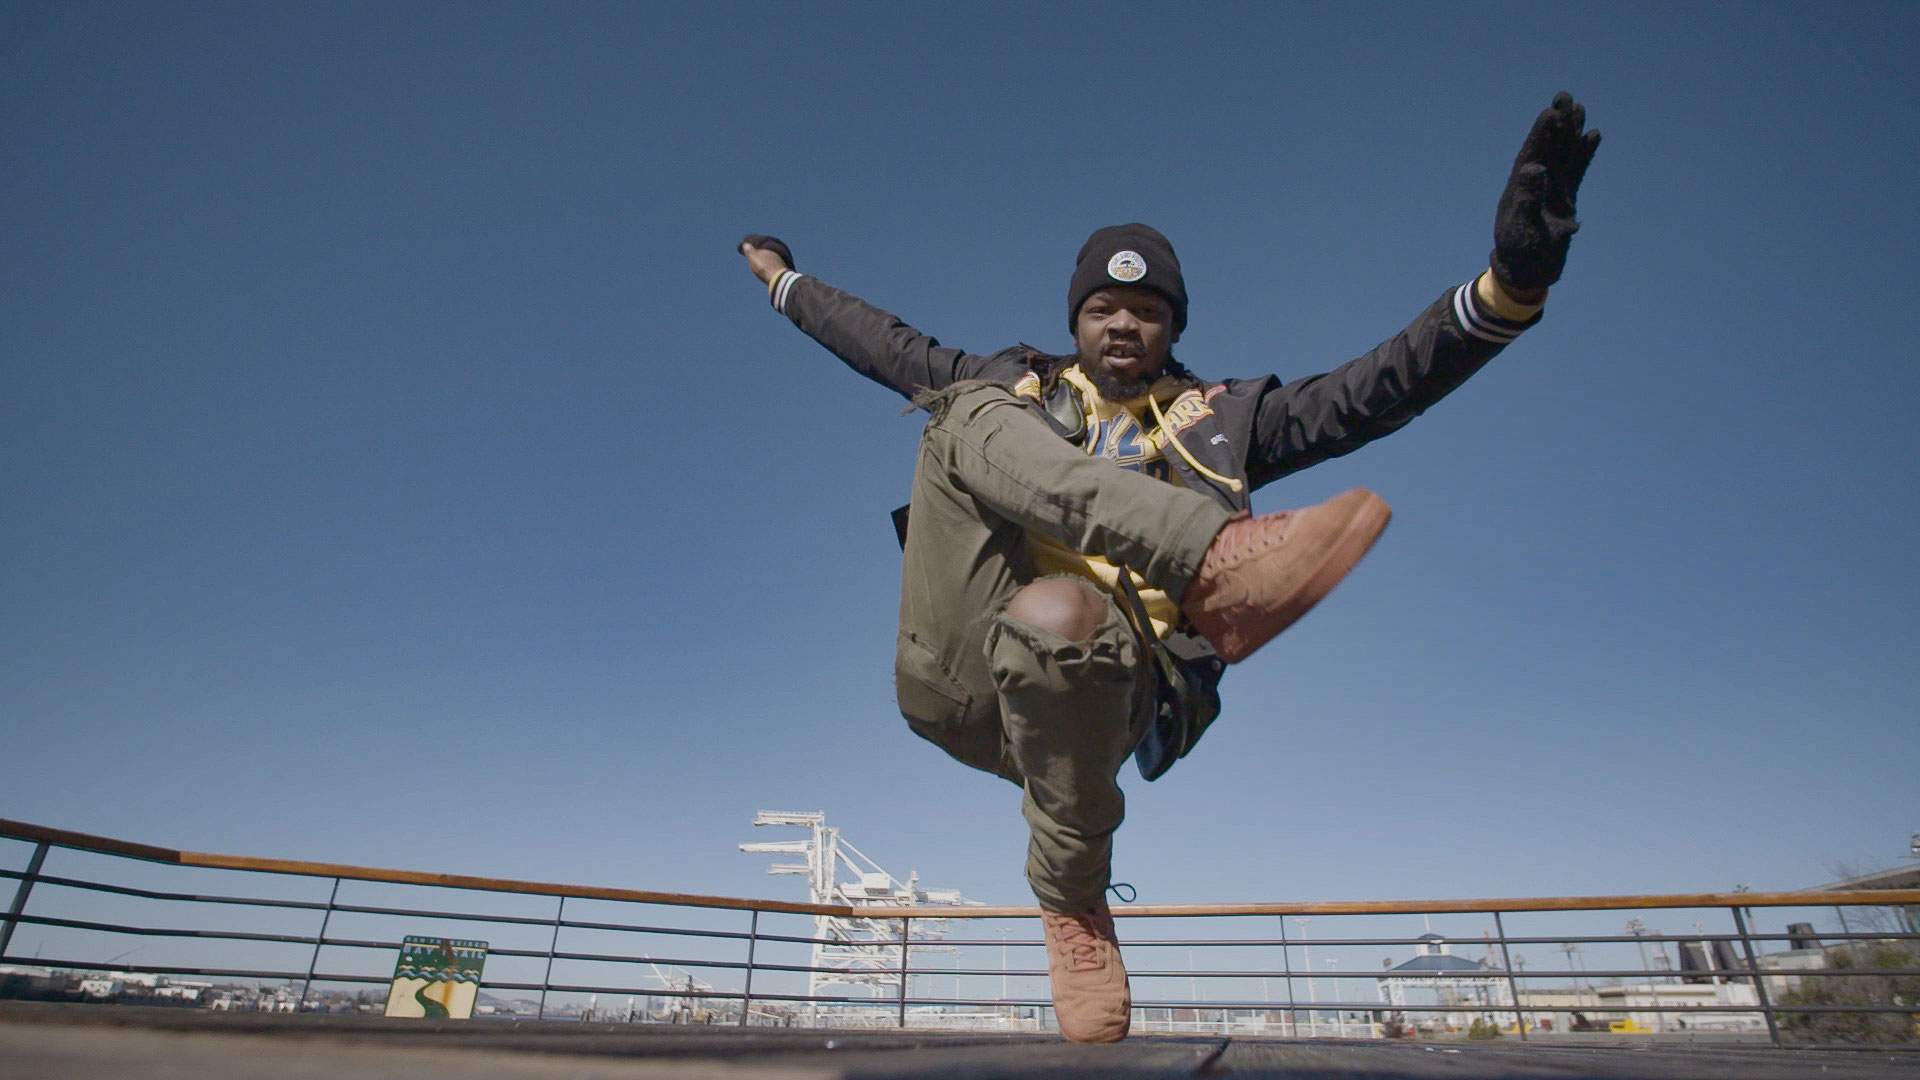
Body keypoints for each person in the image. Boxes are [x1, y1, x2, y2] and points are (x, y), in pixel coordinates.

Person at [738, 92, 1599, 1042]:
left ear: (1173, 328)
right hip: (961, 674)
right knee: (959, 408)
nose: (1121, 324)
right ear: (1075, 320)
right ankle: (1216, 565)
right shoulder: (1013, 386)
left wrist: (1507, 291)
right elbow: (880, 341)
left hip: (1105, 691)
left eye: (1147, 311)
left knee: (1064, 611)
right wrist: (784, 280)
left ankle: (1072, 906)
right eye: (1102, 307)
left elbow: (1373, 390)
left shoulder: (1226, 419)